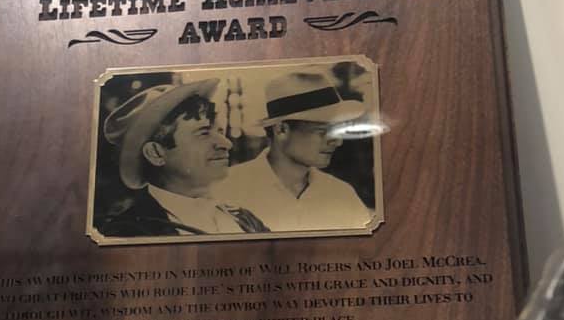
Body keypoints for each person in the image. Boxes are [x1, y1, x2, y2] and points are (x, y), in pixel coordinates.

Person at [101, 79, 268, 237]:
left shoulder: (245, 220)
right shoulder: (129, 232)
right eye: (203, 133)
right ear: (156, 153)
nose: (226, 143)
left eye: (220, 131)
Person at [214, 68, 373, 232]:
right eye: (322, 131)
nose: (338, 142)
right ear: (281, 130)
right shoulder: (226, 191)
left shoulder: (342, 195)